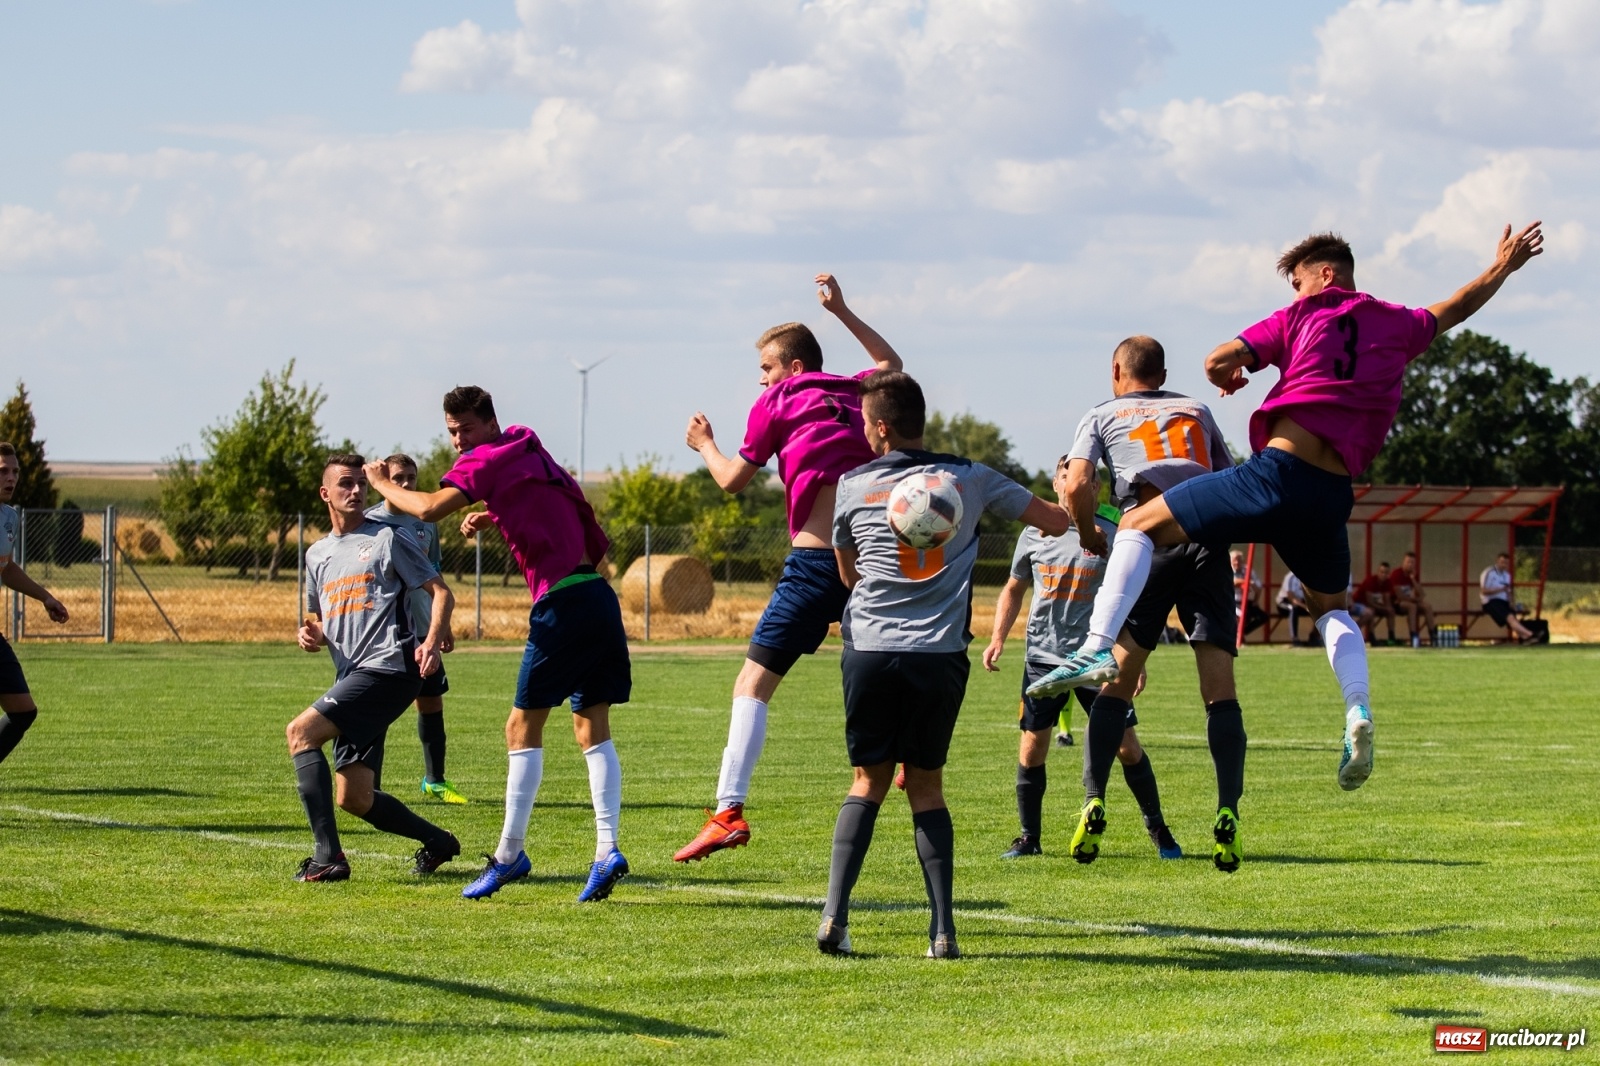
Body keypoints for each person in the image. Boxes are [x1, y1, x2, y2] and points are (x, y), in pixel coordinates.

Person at [1032, 221, 1544, 793]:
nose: (1294, 294)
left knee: (1137, 522)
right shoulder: (1400, 323)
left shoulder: (1302, 315)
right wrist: (1503, 266)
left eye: (1297, 282)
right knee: (1333, 610)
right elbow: (1456, 306)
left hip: (1276, 475)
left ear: (1325, 275)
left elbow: (1214, 360)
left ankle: (1098, 649)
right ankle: (1357, 713)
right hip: (1330, 496)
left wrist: (1233, 371)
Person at [818, 371, 1070, 959]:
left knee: (867, 781)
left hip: (870, 652)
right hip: (937, 655)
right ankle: (943, 932)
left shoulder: (852, 483)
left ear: (881, 427)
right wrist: (1086, 499)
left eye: (864, 422)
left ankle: (834, 919)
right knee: (926, 786)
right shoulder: (969, 477)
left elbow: (845, 569)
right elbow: (1055, 521)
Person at [365, 386, 632, 903]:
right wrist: (499, 514)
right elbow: (558, 503)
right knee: (590, 726)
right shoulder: (526, 446)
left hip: (563, 605)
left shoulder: (485, 460)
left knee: (520, 726)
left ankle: (509, 856)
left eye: (465, 429)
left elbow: (427, 509)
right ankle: (607, 851)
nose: (459, 441)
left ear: (489, 423)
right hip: (599, 597)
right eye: (451, 432)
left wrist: (382, 484)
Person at [675, 274, 904, 863]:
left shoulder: (778, 401)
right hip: (873, 560)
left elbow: (731, 480)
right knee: (882, 665)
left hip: (812, 563)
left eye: (767, 368)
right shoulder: (855, 391)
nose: (761, 379)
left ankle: (727, 813)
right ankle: (907, 750)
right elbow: (891, 361)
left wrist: (704, 443)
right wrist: (844, 309)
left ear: (794, 367)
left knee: (752, 685)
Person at [1029, 336, 1249, 872]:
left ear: (1115, 372)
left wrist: (1087, 532)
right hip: (1205, 543)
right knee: (1220, 695)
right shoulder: (1195, 408)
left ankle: (1094, 798)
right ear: (1164, 372)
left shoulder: (1102, 413)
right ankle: (1228, 811)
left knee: (1114, 686)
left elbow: (1079, 480)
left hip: (1147, 543)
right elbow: (1228, 477)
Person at [983, 459, 1179, 861]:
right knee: (1031, 749)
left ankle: (1159, 831)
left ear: (1095, 489)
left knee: (1127, 747)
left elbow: (1134, 599)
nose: (1077, 486)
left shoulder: (1113, 534)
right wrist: (998, 637)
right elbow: (1014, 588)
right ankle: (1028, 838)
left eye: (1087, 481)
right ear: (1058, 484)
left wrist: (1136, 658)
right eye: (1069, 478)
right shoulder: (1032, 535)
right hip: (1042, 656)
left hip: (1099, 661)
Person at [286, 454, 460, 882]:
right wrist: (310, 634)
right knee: (356, 798)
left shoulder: (389, 537)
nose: (356, 490)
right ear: (325, 493)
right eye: (345, 483)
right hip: (353, 675)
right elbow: (318, 619)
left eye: (361, 483)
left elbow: (441, 592)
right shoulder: (317, 554)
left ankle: (328, 857)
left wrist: (433, 639)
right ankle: (439, 841)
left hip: (388, 666)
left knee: (300, 733)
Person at [365, 453, 467, 804]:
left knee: (431, 701)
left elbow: (435, 571)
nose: (406, 484)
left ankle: (434, 780)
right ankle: (369, 785)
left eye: (411, 477)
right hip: (388, 631)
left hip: (425, 629)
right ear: (384, 480)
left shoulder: (427, 521)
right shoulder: (369, 522)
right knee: (378, 707)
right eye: (398, 478)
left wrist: (441, 627)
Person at [0, 442, 71, 774]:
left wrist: (45, 597)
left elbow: (7, 568)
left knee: (23, 711)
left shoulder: (8, 517)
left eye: (15, 471)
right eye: (3, 471)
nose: (11, 477)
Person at [1480, 552, 1535, 642]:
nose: (1504, 565)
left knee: (1512, 617)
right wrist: (1500, 589)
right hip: (1490, 601)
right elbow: (1484, 591)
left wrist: (1511, 603)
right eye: (1502, 562)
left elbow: (1508, 592)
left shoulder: (1507, 576)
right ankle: (1530, 634)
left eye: (1506, 563)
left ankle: (1524, 637)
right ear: (1497, 561)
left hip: (1503, 602)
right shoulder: (1489, 573)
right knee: (1510, 617)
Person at [1389, 551, 1435, 647]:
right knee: (1412, 606)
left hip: (1410, 601)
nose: (1410, 565)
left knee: (1427, 606)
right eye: (1408, 562)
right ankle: (1413, 635)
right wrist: (1415, 599)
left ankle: (1433, 635)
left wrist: (1413, 579)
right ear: (1403, 562)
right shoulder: (1396, 574)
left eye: (1412, 562)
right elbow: (1400, 596)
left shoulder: (1413, 575)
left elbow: (1422, 594)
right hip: (1396, 603)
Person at [1355, 563, 1399, 645]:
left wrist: (1389, 609)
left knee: (1391, 612)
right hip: (1360, 603)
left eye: (1386, 573)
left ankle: (1391, 637)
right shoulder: (1370, 581)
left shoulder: (1388, 583)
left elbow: (1387, 600)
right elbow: (1369, 602)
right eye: (1382, 572)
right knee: (1371, 611)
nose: (1383, 575)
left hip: (1374, 606)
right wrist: (1384, 608)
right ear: (1378, 572)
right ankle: (1371, 637)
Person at [1230, 549, 1269, 635]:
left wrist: (1256, 600)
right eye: (1235, 560)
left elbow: (1258, 587)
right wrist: (1246, 582)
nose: (1237, 562)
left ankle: (1241, 633)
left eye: (1239, 560)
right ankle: (1237, 636)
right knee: (1243, 616)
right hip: (1232, 603)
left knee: (1263, 617)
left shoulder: (1248, 570)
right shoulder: (1226, 569)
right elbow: (1232, 582)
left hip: (1248, 602)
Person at [1276, 571, 1311, 646]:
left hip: (1302, 602)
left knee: (1319, 611)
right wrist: (1306, 607)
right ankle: (1294, 639)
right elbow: (1291, 598)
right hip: (1284, 602)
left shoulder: (1309, 575)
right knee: (1293, 608)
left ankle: (1315, 637)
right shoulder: (1291, 577)